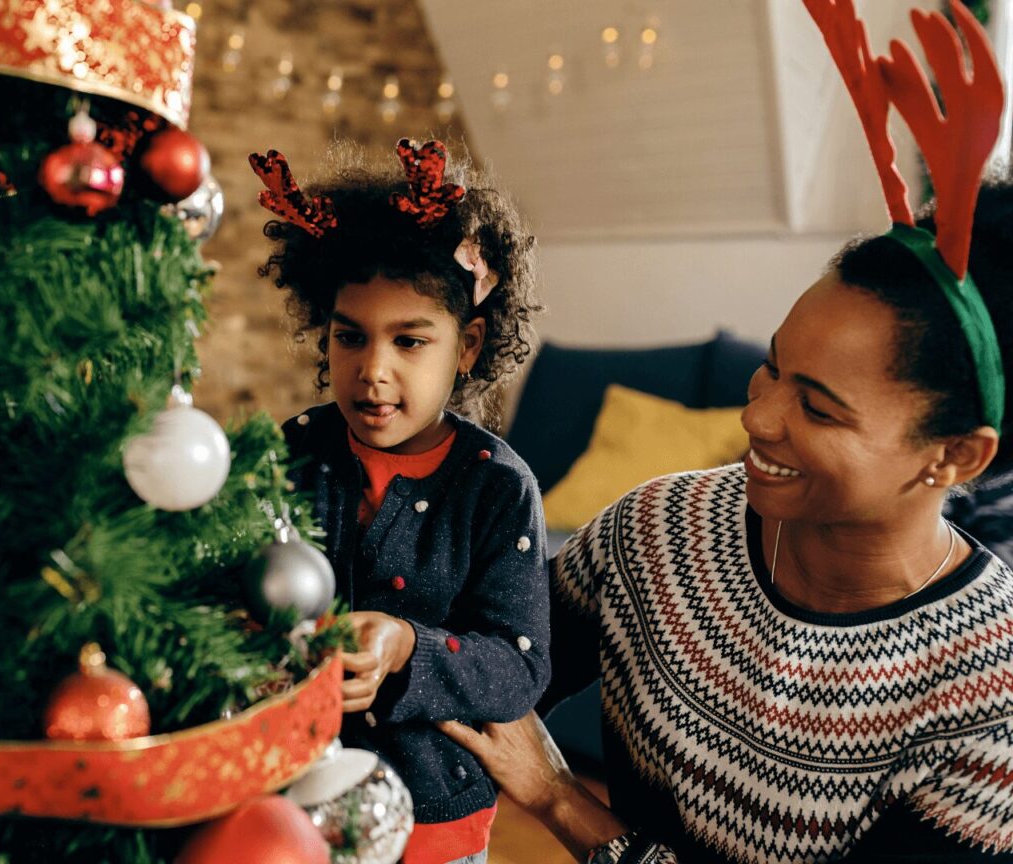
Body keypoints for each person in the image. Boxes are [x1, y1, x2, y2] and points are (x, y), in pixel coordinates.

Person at [440, 3, 1013, 862]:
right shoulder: (656, 531)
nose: (759, 416)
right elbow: (481, 661)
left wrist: (564, 804)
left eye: (818, 407)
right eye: (773, 367)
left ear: (955, 455)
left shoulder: (987, 701)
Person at [252, 139, 549, 864]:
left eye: (410, 342)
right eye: (350, 337)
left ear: (468, 345)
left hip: (433, 823)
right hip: (289, 797)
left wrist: (409, 646)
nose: (371, 371)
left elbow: (518, 666)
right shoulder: (295, 447)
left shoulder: (498, 487)